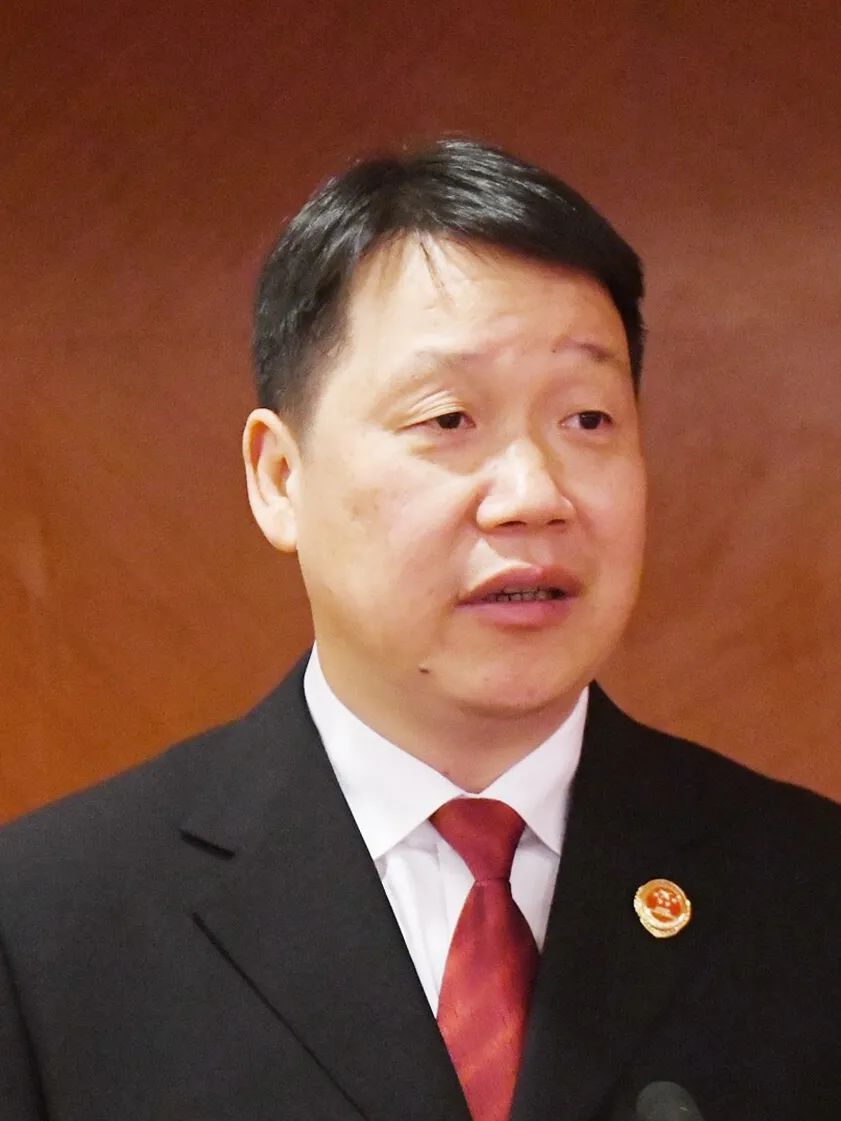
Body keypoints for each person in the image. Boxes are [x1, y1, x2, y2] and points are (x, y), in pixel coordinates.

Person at [1, 139, 839, 1121]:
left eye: (587, 419)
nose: (532, 494)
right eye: (447, 419)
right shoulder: (45, 924)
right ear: (280, 477)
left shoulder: (807, 892)